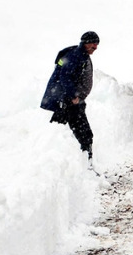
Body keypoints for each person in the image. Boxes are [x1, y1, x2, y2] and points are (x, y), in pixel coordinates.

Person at [41, 31, 99, 159]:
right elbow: (64, 77)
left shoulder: (81, 55)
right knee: (84, 134)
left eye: (97, 44)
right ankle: (84, 166)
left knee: (67, 131)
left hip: (71, 101)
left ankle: (82, 165)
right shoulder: (75, 56)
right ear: (86, 43)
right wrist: (73, 96)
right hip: (68, 102)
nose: (96, 47)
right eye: (94, 44)